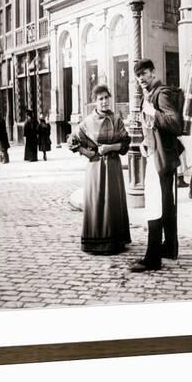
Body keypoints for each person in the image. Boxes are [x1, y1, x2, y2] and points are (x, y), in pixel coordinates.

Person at [130, 59, 184, 272]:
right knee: (165, 203)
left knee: (155, 204)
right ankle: (169, 247)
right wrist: (145, 141)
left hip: (161, 158)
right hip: (158, 155)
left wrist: (153, 112)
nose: (141, 78)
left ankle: (152, 257)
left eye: (144, 73)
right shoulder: (150, 95)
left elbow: (175, 123)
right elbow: (153, 129)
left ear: (153, 72)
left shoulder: (161, 93)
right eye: (138, 75)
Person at [68, 84, 131, 255]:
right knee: (97, 201)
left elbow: (125, 144)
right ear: (94, 102)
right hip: (95, 168)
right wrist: (87, 153)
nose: (104, 102)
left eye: (106, 98)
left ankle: (115, 242)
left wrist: (110, 148)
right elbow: (72, 141)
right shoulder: (87, 122)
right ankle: (95, 242)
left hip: (112, 167)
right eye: (100, 99)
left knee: (112, 201)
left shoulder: (116, 119)